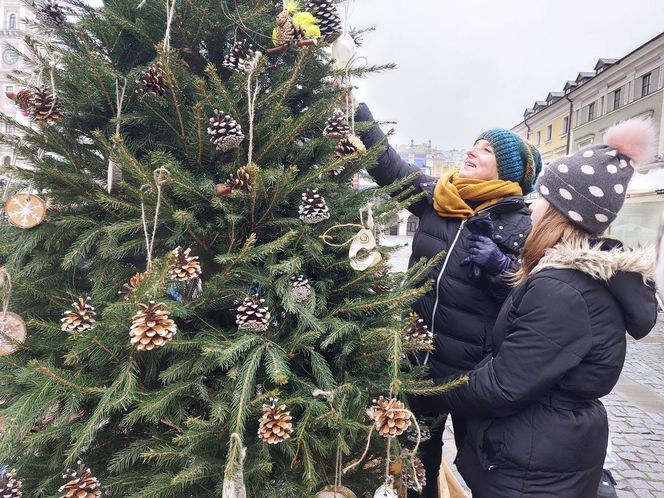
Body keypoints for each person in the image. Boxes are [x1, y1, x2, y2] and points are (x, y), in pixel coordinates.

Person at [416, 118, 658, 497]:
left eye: (541, 201)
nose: (532, 210)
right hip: (543, 452)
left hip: (531, 466)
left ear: (560, 213)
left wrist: (429, 391)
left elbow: (503, 384)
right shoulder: (567, 279)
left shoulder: (563, 289)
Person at [354, 103, 542, 496]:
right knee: (418, 461)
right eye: (474, 145)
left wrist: (501, 268)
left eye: (487, 150)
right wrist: (358, 113)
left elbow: (535, 299)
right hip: (420, 359)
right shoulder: (438, 198)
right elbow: (390, 167)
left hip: (476, 374)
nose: (472, 151)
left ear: (508, 171)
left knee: (483, 466)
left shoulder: (522, 224)